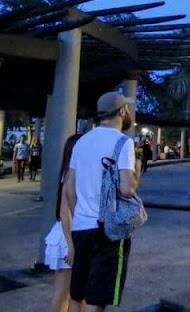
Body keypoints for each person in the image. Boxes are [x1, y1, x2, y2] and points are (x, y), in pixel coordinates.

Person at [63, 91, 142, 311]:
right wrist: (136, 174)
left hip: (81, 228)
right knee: (96, 299)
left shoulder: (82, 141)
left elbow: (69, 189)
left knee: (78, 295)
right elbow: (126, 189)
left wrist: (80, 214)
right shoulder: (122, 142)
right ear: (122, 111)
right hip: (106, 232)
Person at [45, 133, 83, 312]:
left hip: (66, 235)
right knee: (62, 295)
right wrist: (71, 245)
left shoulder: (68, 172)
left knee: (73, 295)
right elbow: (64, 212)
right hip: (67, 238)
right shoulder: (71, 175)